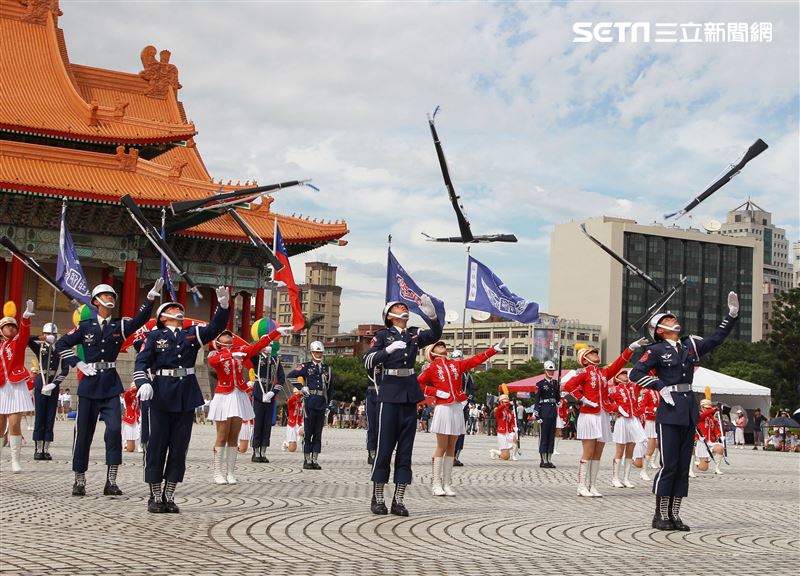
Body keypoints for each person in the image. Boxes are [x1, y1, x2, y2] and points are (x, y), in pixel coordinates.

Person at [629, 291, 739, 531]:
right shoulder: (656, 350)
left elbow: (716, 339)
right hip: (669, 409)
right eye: (667, 320)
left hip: (688, 408)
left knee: (681, 466)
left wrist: (731, 316)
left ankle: (675, 514)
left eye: (673, 317)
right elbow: (634, 374)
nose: (673, 320)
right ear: (659, 330)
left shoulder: (689, 345)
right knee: (669, 464)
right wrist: (659, 386)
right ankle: (660, 515)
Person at [57, 280, 160, 496]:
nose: (111, 298)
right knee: (83, 433)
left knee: (114, 431)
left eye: (113, 296)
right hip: (89, 385)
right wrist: (78, 363)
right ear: (96, 301)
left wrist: (149, 299)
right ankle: (80, 479)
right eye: (106, 295)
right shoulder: (85, 327)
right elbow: (61, 345)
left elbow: (140, 320)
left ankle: (111, 480)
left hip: (111, 386)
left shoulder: (119, 326)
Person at [134, 287, 230, 513]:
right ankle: (155, 496)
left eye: (179, 309)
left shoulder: (191, 333)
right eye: (173, 309)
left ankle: (169, 494)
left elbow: (215, 328)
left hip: (185, 393)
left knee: (179, 447)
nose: (178, 311)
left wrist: (223, 307)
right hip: (160, 393)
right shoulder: (155, 336)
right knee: (156, 445)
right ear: (162, 317)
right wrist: (143, 383)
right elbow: (141, 362)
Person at [363, 297, 441, 516]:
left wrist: (433, 317)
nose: (404, 309)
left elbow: (435, 336)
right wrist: (386, 351)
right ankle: (378, 496)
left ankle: (398, 499)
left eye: (405, 307)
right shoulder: (382, 336)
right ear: (389, 316)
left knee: (405, 450)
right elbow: (367, 361)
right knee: (384, 449)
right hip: (388, 394)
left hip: (408, 393)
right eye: (398, 307)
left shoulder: (414, 334)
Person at [419, 338, 501, 496]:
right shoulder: (431, 367)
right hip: (443, 407)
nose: (443, 346)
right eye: (439, 345)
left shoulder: (455, 364)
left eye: (443, 344)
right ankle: (436, 483)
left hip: (457, 406)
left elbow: (475, 360)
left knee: (452, 446)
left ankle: (447, 483)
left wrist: (493, 350)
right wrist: (435, 392)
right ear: (432, 352)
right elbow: (418, 384)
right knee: (441, 446)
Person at [207, 325, 288, 484]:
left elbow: (257, 346)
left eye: (230, 337)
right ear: (219, 341)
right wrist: (231, 354)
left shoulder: (241, 351)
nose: (229, 338)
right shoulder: (215, 354)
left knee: (233, 436)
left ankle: (230, 472)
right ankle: (217, 472)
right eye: (225, 337)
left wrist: (275, 333)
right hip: (224, 395)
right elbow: (213, 362)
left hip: (238, 394)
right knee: (222, 435)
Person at [562, 340, 643, 498]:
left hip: (603, 415)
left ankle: (592, 486)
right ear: (584, 358)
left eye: (596, 353)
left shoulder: (604, 373)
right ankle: (581, 486)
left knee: (598, 453)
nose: (596, 355)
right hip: (589, 416)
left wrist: (630, 348)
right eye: (592, 353)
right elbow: (569, 386)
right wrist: (583, 399)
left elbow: (618, 364)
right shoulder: (584, 373)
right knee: (588, 452)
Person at [0, 300, 36, 473]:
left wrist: (25, 318)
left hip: (15, 386)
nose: (11, 329)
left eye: (13, 326)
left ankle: (15, 460)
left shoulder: (18, 344)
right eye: (7, 326)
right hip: (1, 387)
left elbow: (24, 334)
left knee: (14, 423)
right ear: (1, 330)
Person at [288, 341, 334, 470]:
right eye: (316, 352)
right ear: (311, 353)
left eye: (320, 352)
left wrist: (329, 405)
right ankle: (307, 459)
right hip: (310, 402)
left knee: (318, 433)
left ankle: (315, 459)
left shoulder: (327, 369)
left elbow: (330, 389)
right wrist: (302, 388)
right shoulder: (306, 367)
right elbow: (291, 376)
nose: (318, 354)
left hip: (321, 402)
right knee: (308, 432)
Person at [28, 321, 70, 461]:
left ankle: (46, 449)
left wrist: (56, 383)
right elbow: (27, 339)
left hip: (53, 383)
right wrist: (41, 338)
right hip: (41, 383)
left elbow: (65, 369)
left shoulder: (60, 350)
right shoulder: (39, 348)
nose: (50, 336)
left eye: (52, 334)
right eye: (47, 334)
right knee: (40, 416)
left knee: (50, 417)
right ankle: (38, 448)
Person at [608, 370, 646, 488]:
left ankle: (626, 478)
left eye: (625, 374)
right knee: (620, 450)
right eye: (622, 374)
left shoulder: (633, 387)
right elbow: (607, 402)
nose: (625, 375)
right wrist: (617, 408)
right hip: (622, 420)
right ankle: (615, 478)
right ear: (617, 377)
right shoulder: (614, 389)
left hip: (633, 419)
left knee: (631, 449)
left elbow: (642, 381)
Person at [251, 340, 286, 463]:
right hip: (259, 394)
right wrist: (260, 344)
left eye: (270, 346)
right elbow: (250, 352)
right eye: (265, 346)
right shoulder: (257, 358)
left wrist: (273, 393)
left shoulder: (275, 361)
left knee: (267, 425)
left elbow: (281, 378)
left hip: (270, 394)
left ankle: (263, 451)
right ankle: (255, 450)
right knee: (258, 423)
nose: (267, 348)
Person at [449, 349, 477, 467]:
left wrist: (467, 400)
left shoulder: (467, 374)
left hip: (463, 405)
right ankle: (445, 455)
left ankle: (455, 457)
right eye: (455, 358)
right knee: (447, 431)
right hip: (449, 404)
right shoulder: (448, 371)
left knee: (460, 431)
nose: (457, 361)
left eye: (459, 358)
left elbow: (471, 389)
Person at [534, 361, 560, 468]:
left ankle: (549, 460)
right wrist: (537, 414)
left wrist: (559, 401)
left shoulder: (555, 383)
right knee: (544, 437)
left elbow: (557, 396)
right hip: (544, 411)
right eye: (549, 370)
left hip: (553, 412)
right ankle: (543, 460)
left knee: (551, 437)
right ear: (545, 371)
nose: (551, 372)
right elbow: (537, 400)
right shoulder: (540, 384)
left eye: (552, 370)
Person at [695, 399, 724, 475]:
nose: (708, 410)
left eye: (709, 408)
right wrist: (713, 410)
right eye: (706, 408)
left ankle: (717, 468)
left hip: (710, 441)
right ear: (702, 407)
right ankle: (696, 463)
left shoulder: (712, 418)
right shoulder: (698, 415)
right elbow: (702, 416)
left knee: (720, 448)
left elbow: (716, 430)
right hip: (701, 443)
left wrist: (720, 436)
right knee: (704, 468)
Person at [490, 395, 517, 460]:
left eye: (507, 402)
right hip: (502, 433)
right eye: (505, 402)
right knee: (505, 457)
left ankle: (514, 456)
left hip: (509, 432)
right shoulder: (498, 410)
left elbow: (512, 421)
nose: (507, 404)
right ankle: (494, 451)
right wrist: (509, 403)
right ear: (501, 402)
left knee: (516, 437)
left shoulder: (510, 412)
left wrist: (514, 427)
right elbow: (499, 408)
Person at [121, 383, 140, 453]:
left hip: (137, 419)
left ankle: (139, 446)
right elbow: (126, 394)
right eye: (133, 385)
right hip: (130, 419)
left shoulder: (138, 396)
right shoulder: (128, 395)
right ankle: (126, 445)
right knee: (130, 448)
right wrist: (133, 389)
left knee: (139, 433)